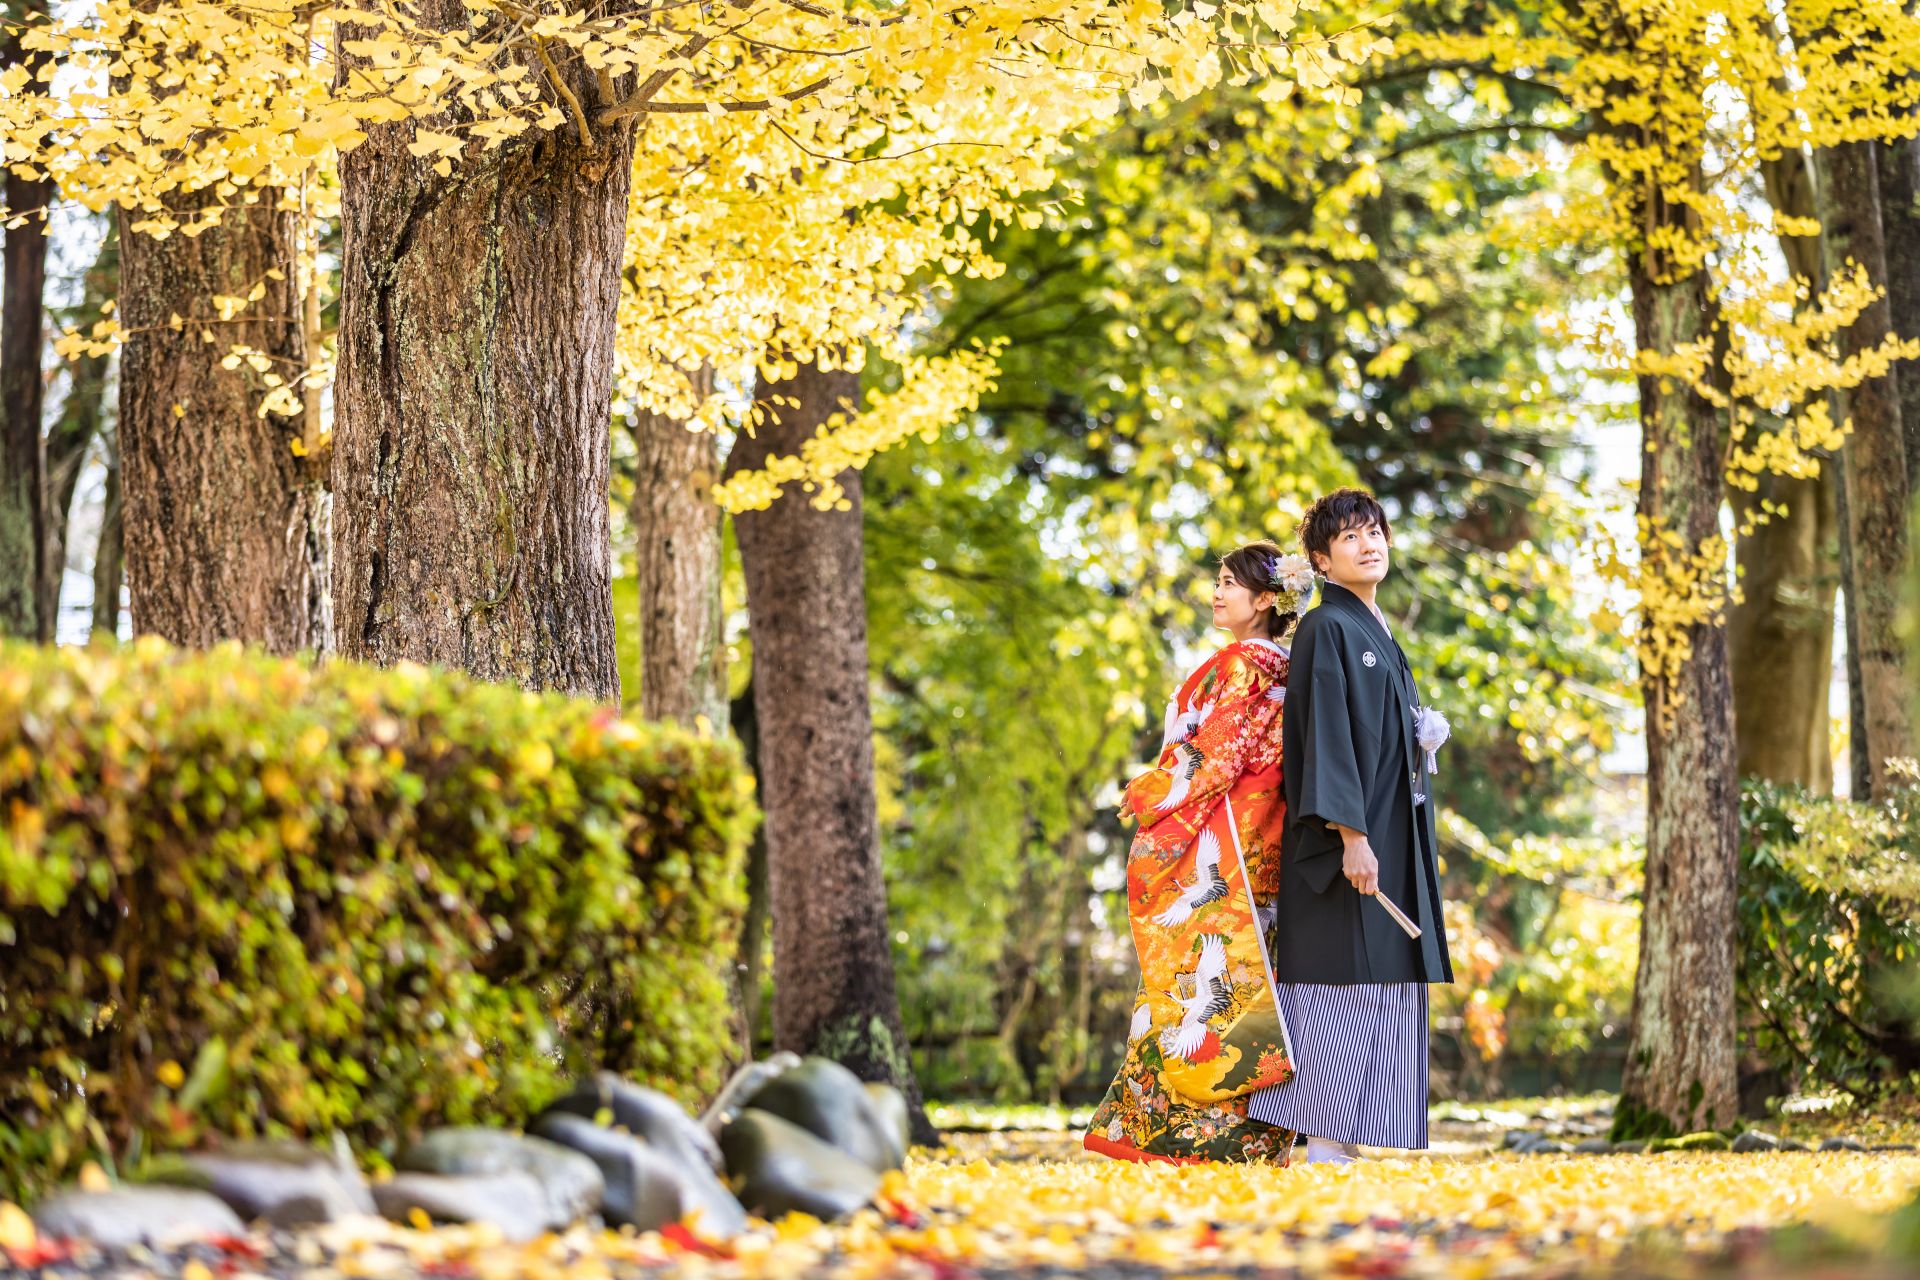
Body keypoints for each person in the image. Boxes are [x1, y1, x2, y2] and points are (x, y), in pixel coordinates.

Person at [1084, 540, 1317, 1164]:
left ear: (1265, 600)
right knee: (1248, 982)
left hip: (1224, 837)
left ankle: (1176, 1133)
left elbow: (1215, 759)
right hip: (1264, 838)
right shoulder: (1287, 666)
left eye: (1229, 583)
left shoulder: (1243, 664)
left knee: (1193, 979)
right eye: (1217, 580)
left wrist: (1153, 790)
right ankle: (1260, 1133)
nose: (1217, 593)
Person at [1247, 488, 1454, 1165]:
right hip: (1344, 844)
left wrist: (1420, 740)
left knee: (1384, 979)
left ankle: (1350, 1135)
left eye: (1376, 532)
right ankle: (1324, 1138)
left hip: (1389, 832)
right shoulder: (1325, 628)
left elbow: (1378, 734)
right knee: (1342, 981)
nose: (1370, 544)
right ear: (1321, 562)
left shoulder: (1376, 630)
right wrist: (1352, 836)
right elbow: (1328, 735)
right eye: (1351, 537)